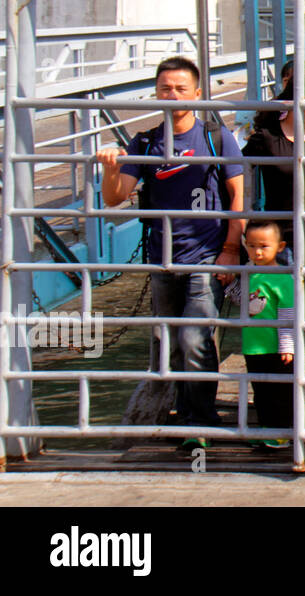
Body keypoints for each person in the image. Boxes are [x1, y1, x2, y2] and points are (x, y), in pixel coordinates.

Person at [95, 57, 244, 444]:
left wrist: (230, 249)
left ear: (197, 93)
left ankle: (202, 422)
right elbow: (115, 198)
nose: (172, 94)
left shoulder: (215, 137)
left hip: (206, 255)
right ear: (156, 93)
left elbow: (239, 196)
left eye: (181, 88)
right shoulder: (144, 142)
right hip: (161, 259)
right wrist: (112, 167)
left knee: (195, 339)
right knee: (169, 341)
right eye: (165, 88)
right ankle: (183, 413)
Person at [242, 68, 305, 357]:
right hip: (280, 232)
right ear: (302, 100)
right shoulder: (266, 138)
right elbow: (240, 170)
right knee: (286, 293)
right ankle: (287, 347)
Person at [226, 219, 293, 447]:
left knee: (280, 391)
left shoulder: (283, 277)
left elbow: (287, 314)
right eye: (252, 245)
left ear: (280, 247)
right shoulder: (247, 272)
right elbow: (240, 300)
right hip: (253, 345)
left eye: (264, 246)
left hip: (275, 346)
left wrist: (287, 345)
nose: (257, 251)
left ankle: (282, 432)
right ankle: (266, 428)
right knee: (261, 390)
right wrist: (229, 284)